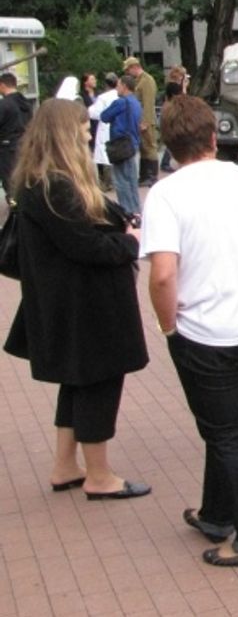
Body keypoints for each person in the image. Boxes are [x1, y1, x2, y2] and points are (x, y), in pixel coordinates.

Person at [141, 95, 238, 567]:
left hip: (203, 332)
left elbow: (161, 275)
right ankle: (216, 514)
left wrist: (167, 324)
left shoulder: (166, 194)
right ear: (213, 136)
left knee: (228, 434)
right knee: (228, 424)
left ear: (169, 146)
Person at [3, 99, 150, 500]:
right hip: (85, 307)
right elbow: (86, 247)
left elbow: (85, 227)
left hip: (66, 304)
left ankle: (65, 465)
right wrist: (131, 243)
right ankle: (99, 476)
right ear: (67, 132)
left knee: (76, 383)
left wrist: (120, 222)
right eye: (84, 127)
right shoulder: (56, 185)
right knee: (98, 385)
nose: (89, 134)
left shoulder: (42, 180)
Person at [100, 73, 143, 218]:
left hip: (121, 144)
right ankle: (136, 210)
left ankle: (127, 211)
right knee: (131, 180)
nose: (116, 88)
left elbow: (104, 116)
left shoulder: (120, 103)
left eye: (118, 85)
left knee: (121, 181)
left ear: (124, 86)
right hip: (133, 143)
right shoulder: (136, 102)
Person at [123, 57, 159, 186]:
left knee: (150, 147)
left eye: (128, 70)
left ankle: (152, 175)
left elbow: (148, 103)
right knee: (144, 148)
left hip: (146, 120)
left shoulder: (147, 80)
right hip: (140, 120)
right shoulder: (139, 81)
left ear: (134, 67)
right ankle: (144, 176)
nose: (127, 73)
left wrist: (145, 122)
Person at [0, 72, 34, 205]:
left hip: (7, 149)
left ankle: (14, 212)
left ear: (2, 85)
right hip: (24, 146)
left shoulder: (4, 104)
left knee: (10, 181)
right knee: (22, 179)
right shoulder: (26, 103)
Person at [88, 73, 119, 192]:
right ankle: (115, 181)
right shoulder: (120, 95)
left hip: (105, 127)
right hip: (117, 127)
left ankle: (107, 182)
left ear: (106, 84)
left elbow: (95, 113)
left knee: (104, 155)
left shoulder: (103, 97)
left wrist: (90, 108)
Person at [159, 66, 189, 174]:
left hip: (171, 112)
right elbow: (182, 98)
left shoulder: (171, 85)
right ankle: (166, 162)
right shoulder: (173, 86)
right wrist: (184, 86)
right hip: (173, 113)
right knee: (174, 138)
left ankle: (168, 161)